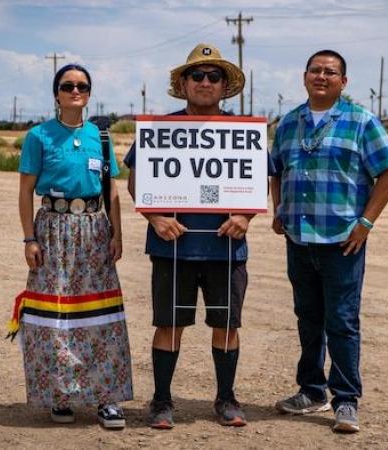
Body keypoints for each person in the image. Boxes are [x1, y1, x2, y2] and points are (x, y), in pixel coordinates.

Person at [124, 43, 262, 429]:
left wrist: (245, 216)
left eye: (213, 76)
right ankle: (162, 401)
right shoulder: (159, 131)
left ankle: (226, 399)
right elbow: (138, 182)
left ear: (225, 86)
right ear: (183, 84)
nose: (205, 82)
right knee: (169, 324)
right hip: (173, 246)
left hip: (226, 246)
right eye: (197, 75)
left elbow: (256, 184)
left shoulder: (243, 133)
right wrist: (154, 217)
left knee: (227, 325)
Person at [270, 49, 388, 433]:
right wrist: (278, 209)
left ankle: (346, 400)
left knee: (342, 322)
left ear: (343, 82)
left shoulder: (361, 121)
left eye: (331, 72)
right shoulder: (289, 123)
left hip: (343, 241)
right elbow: (275, 170)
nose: (322, 76)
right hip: (299, 238)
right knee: (308, 319)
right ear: (305, 76)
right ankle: (311, 391)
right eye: (316, 70)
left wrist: (366, 221)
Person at [7, 63, 132, 429]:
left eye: (82, 85)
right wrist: (29, 238)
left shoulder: (101, 137)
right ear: (56, 93)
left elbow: (111, 190)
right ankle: (59, 396)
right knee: (55, 315)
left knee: (101, 314)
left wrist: (117, 235)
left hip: (95, 229)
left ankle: (106, 399)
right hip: (53, 231)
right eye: (67, 85)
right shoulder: (39, 136)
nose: (75, 91)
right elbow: (26, 191)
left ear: (90, 93)